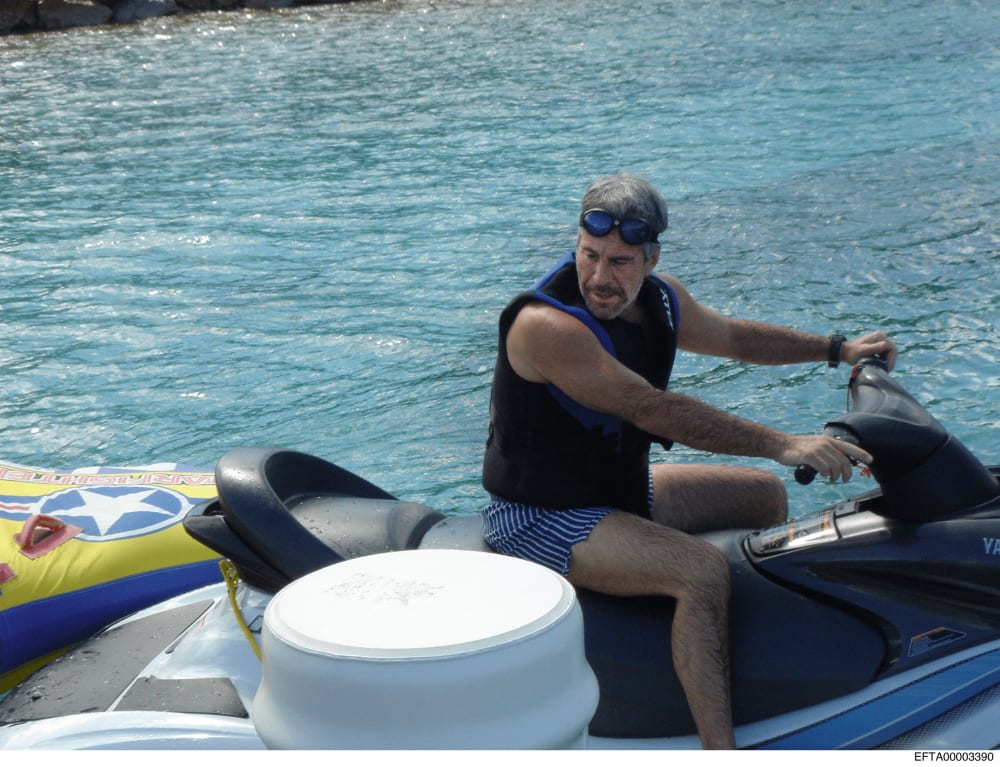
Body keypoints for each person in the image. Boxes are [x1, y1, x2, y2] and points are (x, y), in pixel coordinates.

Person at [480, 173, 897, 749]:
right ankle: (719, 750)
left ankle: (772, 659)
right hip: (540, 516)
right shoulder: (547, 327)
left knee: (766, 497)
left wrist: (837, 350)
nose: (599, 278)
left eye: (620, 262)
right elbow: (652, 409)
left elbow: (736, 339)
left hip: (619, 490)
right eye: (589, 255)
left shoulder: (661, 299)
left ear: (651, 259)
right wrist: (785, 443)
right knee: (700, 572)